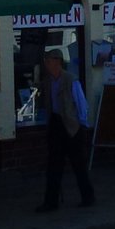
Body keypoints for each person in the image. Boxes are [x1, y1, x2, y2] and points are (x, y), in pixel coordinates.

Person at [35, 49, 95, 212]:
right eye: (46, 61)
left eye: (49, 60)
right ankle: (51, 202)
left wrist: (81, 126)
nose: (47, 64)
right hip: (55, 123)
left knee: (78, 164)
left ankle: (88, 196)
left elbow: (81, 104)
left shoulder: (70, 80)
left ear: (57, 61)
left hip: (72, 125)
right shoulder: (48, 82)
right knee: (53, 165)